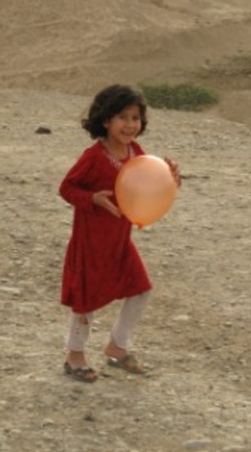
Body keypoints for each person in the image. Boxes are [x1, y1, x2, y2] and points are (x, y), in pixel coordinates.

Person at [58, 84, 181, 383]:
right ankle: (75, 355)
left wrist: (170, 180)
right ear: (105, 120)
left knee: (141, 289)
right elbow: (67, 188)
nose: (130, 125)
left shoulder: (136, 153)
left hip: (120, 241)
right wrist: (93, 199)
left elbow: (146, 187)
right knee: (85, 301)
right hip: (92, 243)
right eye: (122, 117)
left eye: (135, 118)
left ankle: (117, 346)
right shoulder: (94, 157)